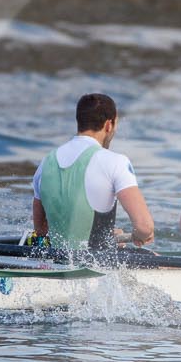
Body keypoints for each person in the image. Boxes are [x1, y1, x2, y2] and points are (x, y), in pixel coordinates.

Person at [32, 92, 154, 252]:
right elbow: (144, 227)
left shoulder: (46, 162)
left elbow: (41, 229)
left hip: (55, 262)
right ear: (109, 125)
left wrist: (105, 235)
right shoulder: (116, 161)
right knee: (160, 260)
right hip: (95, 268)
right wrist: (138, 236)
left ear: (79, 122)